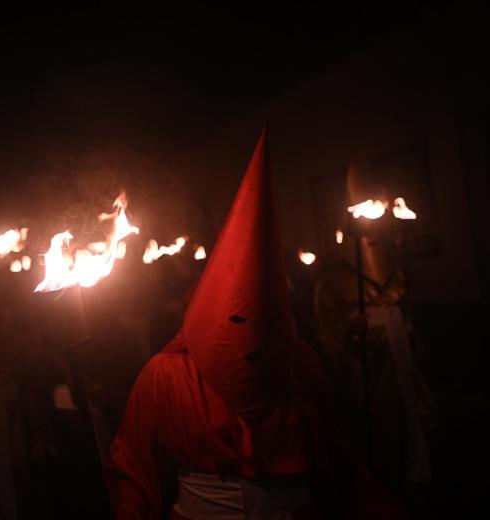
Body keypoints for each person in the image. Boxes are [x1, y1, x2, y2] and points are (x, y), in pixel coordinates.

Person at [107, 130, 403, 519]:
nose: (252, 339)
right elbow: (133, 471)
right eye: (237, 320)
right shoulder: (165, 375)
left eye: (268, 321)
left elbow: (338, 455)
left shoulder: (298, 363)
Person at [313, 158, 434, 492]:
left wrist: (405, 331)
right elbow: (325, 324)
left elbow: (403, 307)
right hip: (362, 365)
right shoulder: (334, 276)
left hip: (395, 358)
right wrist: (350, 330)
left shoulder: (391, 263)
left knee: (404, 417)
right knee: (370, 426)